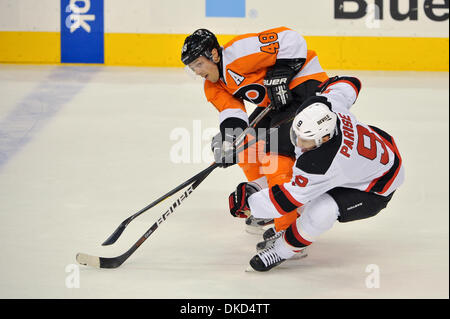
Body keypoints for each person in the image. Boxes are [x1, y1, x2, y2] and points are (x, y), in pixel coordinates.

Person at [228, 76, 405, 271]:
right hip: (374, 155)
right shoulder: (327, 107)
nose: (299, 141)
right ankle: (291, 231)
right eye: (298, 134)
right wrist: (327, 87)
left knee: (321, 211)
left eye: (306, 140)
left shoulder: (323, 163)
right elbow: (349, 84)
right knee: (304, 187)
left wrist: (250, 203)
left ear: (325, 138)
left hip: (377, 186)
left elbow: (288, 198)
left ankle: (282, 251)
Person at [181, 27, 329, 234]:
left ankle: (288, 231)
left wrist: (283, 72)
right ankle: (270, 204)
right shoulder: (212, 86)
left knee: (277, 157)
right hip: (277, 103)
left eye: (199, 64)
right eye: (192, 67)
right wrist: (228, 144)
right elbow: (233, 116)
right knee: (245, 146)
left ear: (213, 54)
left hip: (306, 85)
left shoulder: (238, 52)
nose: (197, 71)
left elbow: (291, 38)